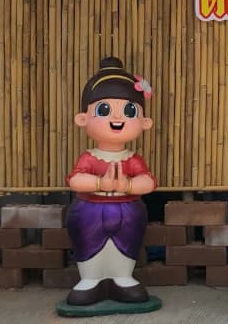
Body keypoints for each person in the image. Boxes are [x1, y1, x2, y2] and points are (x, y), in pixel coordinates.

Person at [64, 56, 157, 306]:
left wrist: (126, 186)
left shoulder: (132, 160)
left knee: (126, 244)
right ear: (83, 119)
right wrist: (99, 185)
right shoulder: (90, 157)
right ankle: (90, 278)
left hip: (128, 210)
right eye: (104, 110)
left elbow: (148, 182)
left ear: (144, 123)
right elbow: (75, 180)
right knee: (88, 242)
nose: (118, 118)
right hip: (90, 210)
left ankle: (122, 276)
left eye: (129, 111)